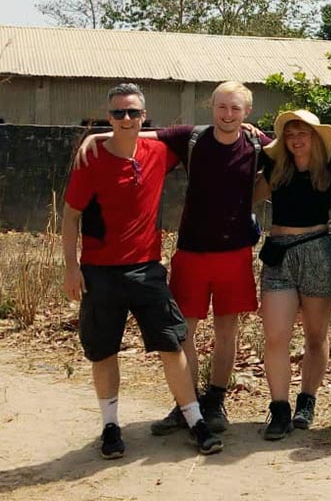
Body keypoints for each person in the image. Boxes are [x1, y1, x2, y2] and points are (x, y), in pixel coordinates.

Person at [77, 81, 271, 436]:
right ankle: (188, 406)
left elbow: (295, 151)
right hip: (192, 252)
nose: (228, 115)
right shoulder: (190, 138)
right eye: (222, 107)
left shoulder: (259, 144)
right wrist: (95, 137)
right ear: (211, 107)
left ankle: (215, 401)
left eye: (236, 109)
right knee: (184, 335)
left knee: (227, 331)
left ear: (247, 113)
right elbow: (137, 134)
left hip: (235, 252)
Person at [62, 83, 222, 459]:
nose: (127, 119)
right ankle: (110, 426)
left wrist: (250, 129)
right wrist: (71, 268)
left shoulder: (158, 150)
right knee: (103, 352)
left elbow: (207, 132)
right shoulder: (92, 160)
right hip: (99, 273)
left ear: (144, 116)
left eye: (133, 112)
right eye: (118, 113)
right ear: (108, 116)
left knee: (172, 344)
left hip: (147, 269)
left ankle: (195, 420)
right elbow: (70, 217)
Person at [253, 110, 331, 440]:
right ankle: (279, 408)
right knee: (276, 335)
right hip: (279, 253)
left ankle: (307, 400)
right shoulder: (275, 169)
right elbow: (247, 199)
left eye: (302, 132)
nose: (296, 138)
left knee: (316, 336)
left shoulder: (329, 173)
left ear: (315, 137)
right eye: (289, 133)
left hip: (318, 250)